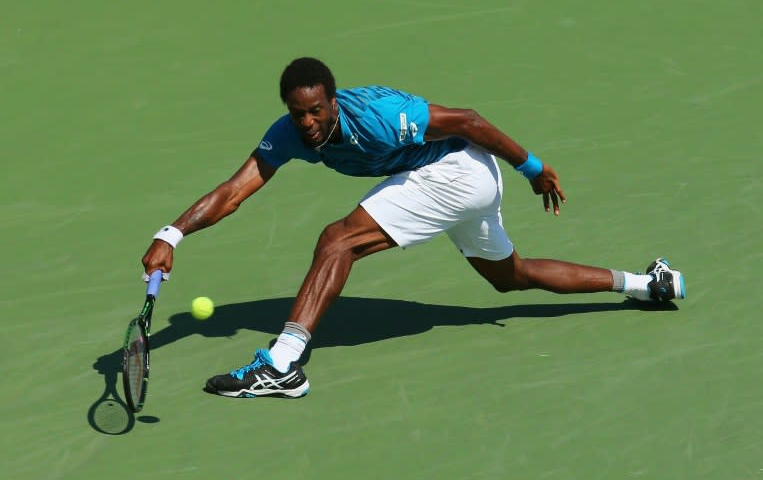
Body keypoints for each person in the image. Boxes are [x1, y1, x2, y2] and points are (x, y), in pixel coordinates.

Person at [141, 57, 685, 399]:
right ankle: (647, 284)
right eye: (298, 113)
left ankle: (283, 364)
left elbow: (468, 120)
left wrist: (535, 169)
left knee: (338, 239)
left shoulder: (380, 114)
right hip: (457, 182)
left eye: (316, 112)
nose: (307, 124)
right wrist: (172, 235)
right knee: (511, 277)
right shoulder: (288, 134)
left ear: (333, 100)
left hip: (457, 170)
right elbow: (235, 189)